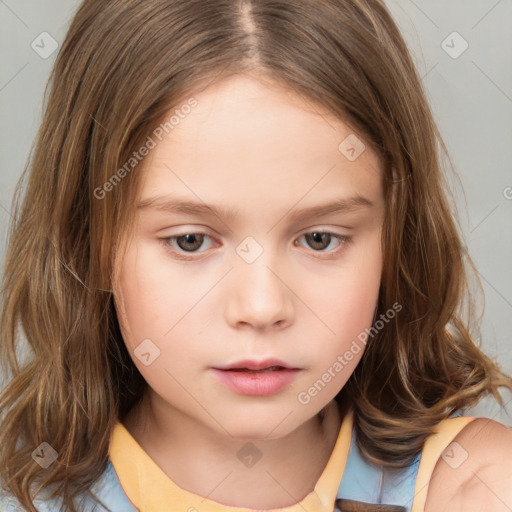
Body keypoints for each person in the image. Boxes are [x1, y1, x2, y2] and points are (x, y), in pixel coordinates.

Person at [1, 1, 511, 511]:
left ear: (396, 241)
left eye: (319, 239)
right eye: (190, 241)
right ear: (88, 244)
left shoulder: (472, 486)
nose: (262, 307)